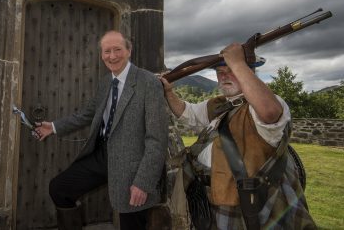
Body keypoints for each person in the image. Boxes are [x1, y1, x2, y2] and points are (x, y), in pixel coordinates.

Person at [160, 43, 316, 229]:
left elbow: (269, 112)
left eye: (230, 70)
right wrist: (169, 92)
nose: (224, 75)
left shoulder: (263, 105)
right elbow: (187, 112)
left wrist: (238, 62)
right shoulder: (219, 105)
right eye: (220, 71)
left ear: (248, 71)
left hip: (247, 204)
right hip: (212, 198)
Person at [34, 30, 168, 230]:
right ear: (101, 55)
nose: (112, 56)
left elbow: (157, 140)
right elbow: (87, 114)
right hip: (102, 156)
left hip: (132, 165)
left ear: (129, 51)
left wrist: (143, 182)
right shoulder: (106, 82)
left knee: (131, 223)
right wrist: (53, 127)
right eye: (107, 51)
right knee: (59, 188)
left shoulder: (149, 83)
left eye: (117, 50)